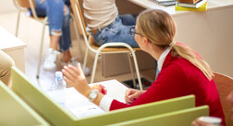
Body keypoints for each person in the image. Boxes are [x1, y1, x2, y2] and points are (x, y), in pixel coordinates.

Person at [63, 9, 225, 124]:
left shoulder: (175, 70)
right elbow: (175, 91)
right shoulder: (179, 52)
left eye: (135, 31)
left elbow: (127, 114)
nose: (133, 34)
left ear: (145, 41)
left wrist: (86, 91)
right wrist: (149, 94)